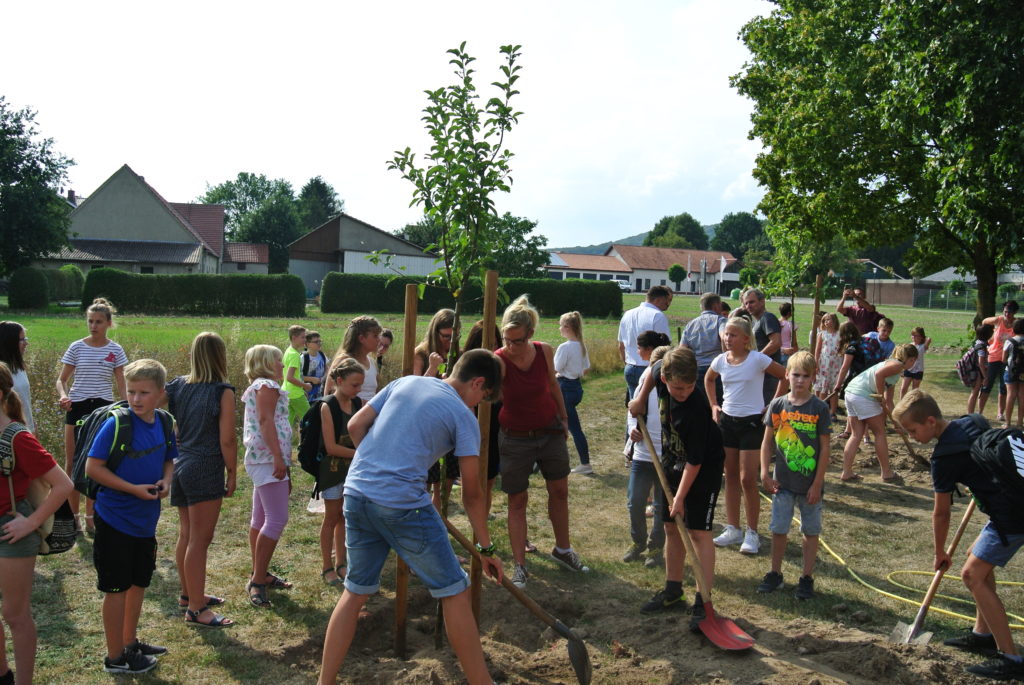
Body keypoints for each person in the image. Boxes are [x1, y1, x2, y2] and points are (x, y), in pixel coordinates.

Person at [317, 349, 504, 685]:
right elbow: (472, 493)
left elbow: (355, 424)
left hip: (357, 493)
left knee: (355, 590)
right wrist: (486, 548)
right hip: (403, 504)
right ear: (477, 382)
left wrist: (377, 463)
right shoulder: (463, 418)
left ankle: (324, 682)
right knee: (453, 590)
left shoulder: (405, 382)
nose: (479, 403)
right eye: (484, 396)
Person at [893, 390, 1024, 681]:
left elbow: (941, 513)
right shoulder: (972, 420)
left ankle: (1011, 658)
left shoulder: (943, 459)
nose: (911, 437)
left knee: (971, 575)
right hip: (1011, 505)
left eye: (913, 430)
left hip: (1012, 515)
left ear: (930, 421)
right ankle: (982, 634)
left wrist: (940, 553)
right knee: (976, 561)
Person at [85, 359, 175, 675]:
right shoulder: (117, 424)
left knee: (138, 583)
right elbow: (92, 468)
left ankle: (129, 642)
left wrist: (167, 481)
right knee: (116, 588)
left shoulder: (164, 423)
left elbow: (169, 459)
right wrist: (132, 489)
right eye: (131, 392)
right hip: (114, 519)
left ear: (161, 394)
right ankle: (115, 658)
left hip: (144, 521)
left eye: (144, 393)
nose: (136, 399)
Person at [497, 295, 588, 590]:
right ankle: (520, 565)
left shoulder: (544, 351)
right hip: (515, 437)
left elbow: (553, 385)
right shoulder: (498, 359)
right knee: (517, 499)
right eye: (506, 340)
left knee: (559, 491)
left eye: (517, 340)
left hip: (548, 431)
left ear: (530, 334)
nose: (511, 346)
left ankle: (563, 549)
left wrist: (563, 420)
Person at [627, 347, 724, 624]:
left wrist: (679, 498)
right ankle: (672, 590)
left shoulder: (697, 409)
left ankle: (702, 601)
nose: (683, 392)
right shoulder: (661, 371)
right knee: (671, 527)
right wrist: (641, 401)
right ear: (667, 379)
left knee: (697, 533)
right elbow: (652, 371)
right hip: (672, 458)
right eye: (677, 388)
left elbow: (696, 461)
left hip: (703, 467)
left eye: (689, 386)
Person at [0, 362, 74, 684]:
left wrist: (30, 523)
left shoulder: (17, 437)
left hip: (11, 534)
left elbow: (64, 485)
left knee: (15, 616)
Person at [166, 332, 236, 628]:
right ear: (220, 356)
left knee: (186, 534)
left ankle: (188, 594)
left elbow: (155, 407)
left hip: (182, 464)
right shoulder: (223, 391)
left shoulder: (178, 385)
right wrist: (233, 472)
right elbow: (227, 440)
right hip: (205, 467)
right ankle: (196, 609)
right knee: (199, 539)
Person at [706, 316, 788, 555]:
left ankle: (752, 532)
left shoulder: (757, 359)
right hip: (727, 423)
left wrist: (772, 404)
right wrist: (713, 405)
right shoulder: (721, 360)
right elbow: (709, 378)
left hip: (752, 423)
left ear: (745, 339)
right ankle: (733, 528)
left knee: (747, 479)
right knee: (729, 476)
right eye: (725, 334)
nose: (727, 339)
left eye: (732, 335)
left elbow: (784, 375)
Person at [757, 351, 830, 600]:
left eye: (805, 376)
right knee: (779, 528)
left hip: (810, 485)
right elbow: (767, 443)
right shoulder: (778, 406)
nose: (800, 380)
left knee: (810, 531)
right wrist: (764, 472)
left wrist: (817, 483)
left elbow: (825, 448)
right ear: (787, 375)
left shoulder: (819, 408)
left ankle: (806, 577)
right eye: (795, 374)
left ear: (813, 378)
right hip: (783, 484)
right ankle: (775, 573)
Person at [56, 297, 128, 537]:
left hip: (103, 409)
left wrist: (127, 406)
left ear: (108, 323)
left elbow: (121, 383)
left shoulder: (115, 350)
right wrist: (63, 396)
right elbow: (62, 379)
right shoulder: (77, 347)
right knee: (72, 462)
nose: (93, 326)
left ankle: (91, 517)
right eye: (90, 321)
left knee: (96, 464)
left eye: (98, 321)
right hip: (76, 407)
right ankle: (73, 516)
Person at [241, 345, 293, 608]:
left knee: (260, 517)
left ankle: (259, 572)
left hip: (261, 457)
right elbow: (265, 421)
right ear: (266, 362)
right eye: (279, 361)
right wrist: (277, 456)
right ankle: (258, 580)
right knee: (276, 519)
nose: (282, 365)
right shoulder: (267, 387)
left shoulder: (260, 386)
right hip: (266, 458)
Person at [837, 343, 918, 482]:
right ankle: (886, 473)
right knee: (879, 432)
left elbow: (889, 401)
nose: (914, 364)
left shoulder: (893, 368)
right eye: (915, 361)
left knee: (856, 434)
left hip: (851, 393)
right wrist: (880, 396)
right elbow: (878, 375)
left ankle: (847, 472)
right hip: (863, 395)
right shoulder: (897, 365)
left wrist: (897, 422)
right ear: (910, 359)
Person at [623, 342, 671, 568]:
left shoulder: (674, 387)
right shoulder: (644, 381)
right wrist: (633, 428)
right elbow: (633, 409)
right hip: (643, 454)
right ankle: (638, 542)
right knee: (635, 501)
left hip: (666, 458)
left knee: (662, 506)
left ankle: (655, 548)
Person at [317, 358, 364, 588]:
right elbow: (331, 447)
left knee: (345, 517)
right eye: (354, 385)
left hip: (351, 472)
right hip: (333, 472)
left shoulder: (358, 404)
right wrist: (361, 453)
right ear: (338, 381)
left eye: (360, 385)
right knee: (331, 517)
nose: (358, 390)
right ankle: (327, 565)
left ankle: (341, 562)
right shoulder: (328, 407)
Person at [414, 309, 461, 511]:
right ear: (435, 332)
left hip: (449, 421)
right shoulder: (421, 353)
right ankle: (422, 510)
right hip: (426, 423)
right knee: (427, 471)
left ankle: (440, 507)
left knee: (449, 470)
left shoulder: (457, 355)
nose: (449, 341)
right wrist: (432, 369)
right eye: (445, 336)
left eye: (454, 336)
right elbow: (413, 389)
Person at [617, 285, 672, 400]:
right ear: (658, 300)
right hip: (650, 368)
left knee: (635, 409)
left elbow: (621, 346)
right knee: (652, 409)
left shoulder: (627, 314)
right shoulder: (658, 316)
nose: (667, 306)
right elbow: (665, 347)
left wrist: (627, 364)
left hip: (630, 366)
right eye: (666, 302)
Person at [555, 311, 592, 475]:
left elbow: (556, 367)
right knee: (557, 423)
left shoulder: (565, 347)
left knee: (574, 428)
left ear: (568, 327)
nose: (560, 329)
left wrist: (561, 373)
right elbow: (586, 368)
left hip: (565, 388)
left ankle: (585, 463)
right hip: (576, 387)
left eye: (561, 326)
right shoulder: (581, 346)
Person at [680, 292, 725, 403]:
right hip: (716, 370)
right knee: (717, 404)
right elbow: (725, 338)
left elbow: (682, 349)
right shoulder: (720, 321)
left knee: (701, 405)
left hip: (697, 370)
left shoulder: (691, 324)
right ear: (716, 306)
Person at [741, 287, 783, 404]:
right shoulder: (757, 321)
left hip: (769, 376)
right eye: (746, 303)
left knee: (765, 411)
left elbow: (775, 342)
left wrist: (756, 359)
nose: (749, 305)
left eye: (752, 302)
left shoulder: (767, 318)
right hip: (761, 374)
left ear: (762, 301)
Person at [326, 316, 382, 402]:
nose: (379, 340)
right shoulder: (343, 361)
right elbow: (329, 396)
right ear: (361, 338)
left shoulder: (372, 362)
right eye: (375, 336)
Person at [979, 300, 1018, 421]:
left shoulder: (1017, 324)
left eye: (1010, 312)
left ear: (1014, 312)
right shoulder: (999, 320)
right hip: (994, 357)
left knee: (1004, 387)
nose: (1007, 314)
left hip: (1008, 360)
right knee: (987, 385)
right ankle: (979, 412)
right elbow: (984, 321)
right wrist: (989, 337)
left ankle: (1000, 413)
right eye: (1005, 311)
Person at [0, 323, 33, 433]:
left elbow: (25, 402)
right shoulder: (2, 372)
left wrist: (33, 427)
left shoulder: (20, 367)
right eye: (22, 340)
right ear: (9, 343)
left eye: (26, 339)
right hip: (8, 435)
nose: (26, 343)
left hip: (26, 431)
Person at [282, 324, 311, 430]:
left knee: (287, 423)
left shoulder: (288, 351)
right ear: (294, 338)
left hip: (287, 392)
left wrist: (300, 388)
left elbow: (284, 375)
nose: (305, 340)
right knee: (311, 418)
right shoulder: (294, 355)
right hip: (295, 394)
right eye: (302, 337)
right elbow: (290, 377)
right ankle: (308, 444)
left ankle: (283, 444)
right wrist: (305, 385)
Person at [813, 313, 841, 417]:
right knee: (823, 388)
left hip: (835, 364)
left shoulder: (839, 334)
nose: (827, 322)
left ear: (834, 321)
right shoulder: (822, 334)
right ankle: (821, 411)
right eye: (825, 320)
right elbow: (818, 350)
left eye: (829, 320)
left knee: (834, 389)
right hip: (824, 364)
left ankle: (833, 411)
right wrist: (816, 363)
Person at [1002, 319, 1024, 427]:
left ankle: (1007, 422)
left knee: (1010, 395)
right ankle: (1020, 422)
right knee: (1022, 396)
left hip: (1011, 370)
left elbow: (1003, 359)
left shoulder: (1009, 341)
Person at [967, 324, 994, 414]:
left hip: (976, 371)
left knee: (974, 393)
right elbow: (981, 363)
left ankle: (971, 413)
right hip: (978, 372)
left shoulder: (978, 342)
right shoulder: (982, 346)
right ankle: (970, 414)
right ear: (988, 334)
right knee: (974, 393)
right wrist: (985, 377)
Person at [899, 326, 932, 399]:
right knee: (903, 388)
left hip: (918, 370)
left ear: (921, 337)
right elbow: (905, 358)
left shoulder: (923, 347)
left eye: (916, 335)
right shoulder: (910, 345)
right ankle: (901, 403)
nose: (913, 337)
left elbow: (929, 339)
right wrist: (902, 370)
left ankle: (913, 404)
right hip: (908, 369)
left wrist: (924, 338)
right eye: (912, 335)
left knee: (914, 391)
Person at [301, 330, 328, 403]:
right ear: (307, 344)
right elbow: (297, 376)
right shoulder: (303, 358)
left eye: (320, 341)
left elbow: (326, 368)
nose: (319, 344)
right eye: (316, 342)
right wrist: (311, 379)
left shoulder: (322, 355)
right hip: (306, 392)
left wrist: (323, 377)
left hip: (320, 390)